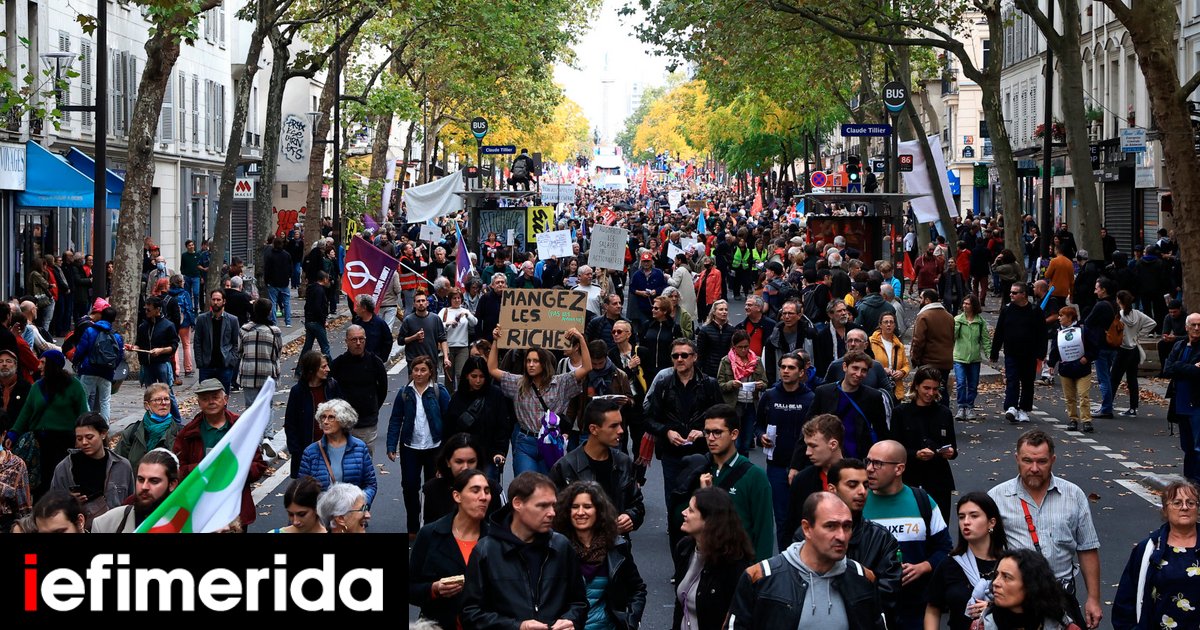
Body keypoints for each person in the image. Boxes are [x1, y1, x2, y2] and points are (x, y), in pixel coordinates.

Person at [987, 430, 1102, 628]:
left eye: (1042, 461)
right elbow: (982, 551)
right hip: (1015, 604)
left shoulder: (1074, 495)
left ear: (1053, 460)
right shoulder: (996, 497)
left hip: (1061, 599)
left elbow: (1087, 548)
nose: (1034, 468)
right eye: (1027, 461)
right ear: (1016, 459)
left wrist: (1093, 598)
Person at [729, 492, 889, 629]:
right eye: (830, 526)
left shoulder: (863, 579)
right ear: (806, 528)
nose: (841, 536)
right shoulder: (761, 578)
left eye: (847, 526)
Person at [461, 472, 588, 629]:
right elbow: (470, 614)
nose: (552, 513)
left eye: (553, 505)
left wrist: (571, 620)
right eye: (542, 506)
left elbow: (579, 603)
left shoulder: (561, 546)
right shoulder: (486, 550)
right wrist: (517, 627)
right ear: (518, 503)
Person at [862, 439, 953, 630]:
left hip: (915, 609)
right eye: (868, 461)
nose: (869, 469)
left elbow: (945, 549)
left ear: (899, 469)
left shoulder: (923, 501)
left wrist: (924, 567)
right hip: (869, 607)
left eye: (878, 463)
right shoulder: (857, 503)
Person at [644, 338, 723, 548]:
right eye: (675, 356)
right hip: (672, 453)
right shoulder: (663, 385)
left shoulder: (709, 384)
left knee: (702, 502)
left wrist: (705, 432)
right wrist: (667, 431)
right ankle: (679, 556)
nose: (679, 359)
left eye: (684, 355)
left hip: (701, 454)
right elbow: (650, 419)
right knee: (675, 503)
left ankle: (703, 552)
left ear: (694, 357)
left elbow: (722, 415)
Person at [675, 404, 776, 561]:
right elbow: (681, 518)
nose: (711, 438)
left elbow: (764, 531)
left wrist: (759, 573)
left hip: (739, 565)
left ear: (734, 434)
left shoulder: (755, 476)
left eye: (717, 432)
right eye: (707, 432)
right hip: (703, 561)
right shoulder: (698, 469)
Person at [488, 327, 590, 475]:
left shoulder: (561, 383)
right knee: (526, 486)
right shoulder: (517, 383)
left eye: (535, 361)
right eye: (528, 361)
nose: (531, 364)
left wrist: (580, 339)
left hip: (551, 442)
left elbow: (587, 367)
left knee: (548, 486)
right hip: (525, 441)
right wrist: (496, 341)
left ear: (544, 363)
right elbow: (492, 369)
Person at [174, 378, 267, 531]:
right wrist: (202, 470)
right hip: (201, 508)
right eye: (205, 398)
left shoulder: (241, 427)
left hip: (235, 508)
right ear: (199, 403)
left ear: (225, 399)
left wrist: (235, 471)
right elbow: (177, 470)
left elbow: (258, 465)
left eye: (215, 397)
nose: (210, 402)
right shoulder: (187, 433)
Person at [553, 481, 648, 630]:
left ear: (599, 511)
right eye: (575, 507)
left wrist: (631, 621)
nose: (580, 512)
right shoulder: (556, 549)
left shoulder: (617, 547)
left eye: (588, 507)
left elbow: (637, 590)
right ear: (566, 511)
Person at [410, 468, 494, 630]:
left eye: (487, 491)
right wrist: (433, 589)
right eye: (475, 491)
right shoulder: (430, 534)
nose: (483, 497)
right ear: (457, 496)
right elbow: (411, 588)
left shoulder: (497, 540)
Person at [551, 398, 646, 537]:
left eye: (621, 424)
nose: (621, 430)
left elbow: (637, 504)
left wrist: (630, 516)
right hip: (578, 550)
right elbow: (554, 516)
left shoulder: (624, 462)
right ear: (594, 429)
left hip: (618, 549)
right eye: (614, 426)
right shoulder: (565, 467)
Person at [1112, 480, 1200, 630]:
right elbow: (1125, 601)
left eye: (1191, 503)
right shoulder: (1147, 549)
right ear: (1165, 510)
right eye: (1177, 503)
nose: (1184, 507)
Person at [11, 349, 90, 500]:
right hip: (40, 443)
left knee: (60, 477)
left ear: (53, 365)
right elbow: (26, 413)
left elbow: (83, 414)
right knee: (41, 482)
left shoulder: (74, 386)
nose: (39, 366)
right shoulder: (36, 387)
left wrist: (82, 437)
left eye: (43, 363)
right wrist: (13, 433)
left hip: (64, 442)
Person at [924, 492, 1010, 630]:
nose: (966, 522)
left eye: (974, 516)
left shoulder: (1009, 564)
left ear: (991, 522)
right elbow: (933, 608)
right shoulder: (950, 564)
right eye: (961, 517)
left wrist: (992, 608)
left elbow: (1024, 606)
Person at [673, 486, 755, 630]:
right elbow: (680, 606)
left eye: (691, 510)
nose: (684, 512)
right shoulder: (684, 549)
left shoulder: (734, 565)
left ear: (709, 521)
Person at [384, 354, 449, 531]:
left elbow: (449, 420)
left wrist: (449, 450)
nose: (419, 374)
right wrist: (391, 445)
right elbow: (396, 419)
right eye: (415, 370)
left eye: (423, 370)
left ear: (430, 372)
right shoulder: (404, 393)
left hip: (434, 448)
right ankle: (413, 525)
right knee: (409, 486)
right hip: (410, 448)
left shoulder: (439, 392)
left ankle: (430, 525)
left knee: (433, 488)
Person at [890, 366, 958, 524]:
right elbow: (894, 449)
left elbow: (953, 448)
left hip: (938, 479)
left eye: (935, 389)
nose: (930, 393)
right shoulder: (900, 413)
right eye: (926, 388)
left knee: (939, 525)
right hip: (910, 479)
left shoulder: (944, 413)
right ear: (916, 386)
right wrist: (915, 454)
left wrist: (950, 452)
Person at [47, 412, 132, 527]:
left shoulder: (122, 466)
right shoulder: (65, 468)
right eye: (79, 438)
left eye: (89, 437)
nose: (84, 443)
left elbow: (132, 503)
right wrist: (68, 502)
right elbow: (51, 506)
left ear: (103, 434)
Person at [806, 350, 890, 459]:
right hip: (828, 456)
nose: (859, 374)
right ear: (845, 367)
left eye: (864, 370)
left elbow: (882, 431)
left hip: (859, 457)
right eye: (855, 368)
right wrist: (796, 465)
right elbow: (808, 427)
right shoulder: (823, 392)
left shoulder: (873, 397)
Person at [297, 397, 378, 510]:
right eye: (323, 417)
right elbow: (301, 490)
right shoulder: (310, 452)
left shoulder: (359, 448)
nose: (325, 421)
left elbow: (370, 484)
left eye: (331, 417)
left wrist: (361, 505)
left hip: (351, 514)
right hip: (321, 518)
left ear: (343, 420)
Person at [990, 283, 1046, 423]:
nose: (1011, 295)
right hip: (1011, 352)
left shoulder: (1035, 311)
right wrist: (994, 351)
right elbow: (999, 331)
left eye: (1014, 293)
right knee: (1012, 379)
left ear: (1023, 294)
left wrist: (1041, 354)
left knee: (1027, 382)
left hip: (1029, 353)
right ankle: (1011, 406)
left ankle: (1024, 409)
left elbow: (1041, 333)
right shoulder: (1007, 310)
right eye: (1011, 292)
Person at [979, 549, 1076, 630]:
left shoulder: (1063, 626)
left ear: (1030, 584)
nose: (995, 582)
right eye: (996, 575)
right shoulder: (982, 627)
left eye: (1006, 577)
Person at [330, 325, 389, 452]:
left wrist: (372, 408)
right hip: (343, 422)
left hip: (367, 422)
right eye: (354, 339)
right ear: (346, 341)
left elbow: (382, 389)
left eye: (361, 339)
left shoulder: (375, 363)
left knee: (365, 462)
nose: (358, 343)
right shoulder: (338, 364)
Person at [91, 448, 179, 533]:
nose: (144, 487)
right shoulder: (105, 524)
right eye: (141, 479)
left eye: (154, 481)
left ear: (172, 484)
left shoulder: (187, 524)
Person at [421, 433, 504, 523]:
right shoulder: (431, 490)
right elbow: (424, 531)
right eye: (459, 462)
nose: (465, 467)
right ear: (448, 462)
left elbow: (506, 530)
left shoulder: (494, 490)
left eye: (471, 461)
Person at [284, 350, 341, 478]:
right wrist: (296, 450)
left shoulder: (332, 386)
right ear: (312, 369)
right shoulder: (298, 392)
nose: (328, 369)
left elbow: (343, 415)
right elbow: (290, 423)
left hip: (332, 449)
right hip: (307, 452)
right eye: (323, 366)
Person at [1047, 306, 1098, 433]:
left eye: (1061, 315)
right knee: (1069, 397)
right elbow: (1055, 349)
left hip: (1082, 369)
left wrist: (1087, 358)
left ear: (1070, 317)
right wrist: (1051, 364)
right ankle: (1073, 419)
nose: (1059, 318)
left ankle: (1086, 420)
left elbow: (1094, 347)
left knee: (1083, 395)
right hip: (1066, 369)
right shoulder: (1058, 332)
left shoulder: (1083, 330)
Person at [717, 330, 767, 455]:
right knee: (736, 441)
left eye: (746, 347)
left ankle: (744, 469)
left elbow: (765, 382)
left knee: (746, 441)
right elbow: (720, 384)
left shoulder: (757, 360)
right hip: (734, 404)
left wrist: (761, 385)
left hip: (751, 404)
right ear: (734, 347)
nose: (743, 350)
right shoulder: (726, 361)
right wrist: (731, 384)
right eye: (740, 347)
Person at [70, 305, 123, 421]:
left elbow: (81, 349)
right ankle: (104, 426)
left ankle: (87, 423)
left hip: (89, 368)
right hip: (107, 372)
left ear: (101, 316)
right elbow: (119, 356)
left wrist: (76, 361)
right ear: (113, 320)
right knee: (105, 400)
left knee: (84, 398)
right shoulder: (117, 336)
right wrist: (113, 368)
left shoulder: (90, 331)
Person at [114, 383, 181, 471]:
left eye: (166, 399)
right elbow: (118, 465)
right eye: (157, 400)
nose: (163, 403)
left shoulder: (181, 433)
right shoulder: (132, 432)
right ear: (147, 405)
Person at [133, 296, 181, 417]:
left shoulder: (168, 325)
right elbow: (139, 344)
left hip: (162, 364)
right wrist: (134, 348)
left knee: (168, 393)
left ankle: (176, 420)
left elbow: (174, 345)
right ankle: (153, 418)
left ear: (157, 310)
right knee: (150, 395)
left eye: (149, 310)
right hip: (147, 365)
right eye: (146, 309)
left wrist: (161, 350)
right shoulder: (143, 326)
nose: (146, 312)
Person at [1112, 290, 1157, 417]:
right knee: (1132, 379)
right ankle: (1133, 408)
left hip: (1122, 349)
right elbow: (1152, 323)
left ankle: (1108, 404)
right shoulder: (1137, 314)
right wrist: (1139, 335)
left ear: (1119, 301)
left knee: (1114, 378)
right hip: (1134, 349)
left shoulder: (1119, 315)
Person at [910, 289, 955, 406]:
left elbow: (918, 341)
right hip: (945, 361)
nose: (920, 301)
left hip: (928, 361)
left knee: (925, 391)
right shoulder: (949, 317)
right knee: (941, 389)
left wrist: (915, 358)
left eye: (921, 298)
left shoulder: (924, 316)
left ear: (927, 300)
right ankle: (944, 417)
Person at [237, 298, 283, 408]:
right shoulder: (274, 331)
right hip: (268, 374)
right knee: (266, 408)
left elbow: (239, 351)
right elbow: (278, 353)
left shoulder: (245, 329)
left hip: (249, 374)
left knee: (250, 409)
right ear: (269, 312)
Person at [1086, 277, 1121, 419]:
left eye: (1097, 288)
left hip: (1101, 344)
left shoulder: (1100, 305)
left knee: (1103, 377)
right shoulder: (1115, 304)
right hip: (1113, 343)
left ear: (1104, 290)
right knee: (1108, 376)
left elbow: (1089, 321)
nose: (1095, 291)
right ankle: (1107, 405)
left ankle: (1106, 407)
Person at [193, 289, 240, 394]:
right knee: (206, 397)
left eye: (218, 300)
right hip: (206, 366)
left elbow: (236, 343)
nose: (215, 302)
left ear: (224, 301)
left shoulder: (232, 320)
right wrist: (200, 362)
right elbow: (197, 342)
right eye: (213, 299)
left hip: (225, 365)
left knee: (223, 398)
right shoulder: (202, 319)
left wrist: (231, 361)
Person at [953, 294, 990, 420]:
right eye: (964, 303)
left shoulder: (980, 322)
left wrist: (989, 354)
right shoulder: (958, 319)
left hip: (974, 358)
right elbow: (952, 337)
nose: (965, 305)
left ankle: (970, 407)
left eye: (967, 303)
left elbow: (985, 339)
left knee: (973, 385)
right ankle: (961, 406)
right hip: (959, 357)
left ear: (974, 306)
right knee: (961, 383)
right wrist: (956, 326)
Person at [763, 298, 815, 384]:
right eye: (784, 313)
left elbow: (819, 360)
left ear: (799, 315)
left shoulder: (810, 334)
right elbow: (769, 368)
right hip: (781, 384)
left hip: (807, 383)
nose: (787, 317)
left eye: (790, 313)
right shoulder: (773, 340)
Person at [400, 292, 451, 379]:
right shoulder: (408, 320)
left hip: (431, 361)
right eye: (418, 301)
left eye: (423, 300)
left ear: (427, 303)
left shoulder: (435, 319)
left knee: (431, 389)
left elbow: (442, 339)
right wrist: (414, 337)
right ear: (414, 304)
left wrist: (446, 357)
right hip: (414, 362)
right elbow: (400, 341)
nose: (421, 303)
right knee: (414, 389)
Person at [440, 289, 477, 394]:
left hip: (463, 346)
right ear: (450, 300)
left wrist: (467, 315)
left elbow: (474, 322)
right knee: (449, 377)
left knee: (461, 373)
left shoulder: (465, 311)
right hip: (448, 346)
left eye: (459, 298)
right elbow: (438, 325)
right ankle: (449, 397)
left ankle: (462, 395)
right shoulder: (444, 311)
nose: (457, 300)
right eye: (454, 298)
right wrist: (448, 323)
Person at [639, 296, 683, 381]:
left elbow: (678, 348)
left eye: (656, 308)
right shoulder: (647, 325)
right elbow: (641, 345)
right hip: (647, 370)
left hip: (667, 370)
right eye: (653, 308)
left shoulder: (674, 327)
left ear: (665, 311)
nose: (653, 310)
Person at [870, 312, 910, 402]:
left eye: (891, 322)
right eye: (886, 322)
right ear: (880, 325)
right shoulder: (871, 342)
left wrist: (902, 372)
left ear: (894, 325)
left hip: (895, 390)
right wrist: (881, 369)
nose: (889, 324)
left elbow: (906, 365)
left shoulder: (899, 345)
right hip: (876, 388)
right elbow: (866, 363)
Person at [167, 274, 196, 379]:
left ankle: (176, 370)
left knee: (174, 346)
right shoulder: (185, 294)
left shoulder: (168, 294)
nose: (184, 282)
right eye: (182, 281)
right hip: (184, 323)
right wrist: (192, 322)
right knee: (186, 345)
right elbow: (189, 309)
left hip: (172, 324)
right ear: (180, 282)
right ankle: (188, 369)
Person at [352, 295, 395, 364]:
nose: (355, 309)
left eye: (357, 306)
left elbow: (388, 341)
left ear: (364, 308)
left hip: (374, 363)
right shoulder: (357, 322)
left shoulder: (380, 324)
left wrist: (381, 359)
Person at [630, 252, 668, 325]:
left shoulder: (658, 273)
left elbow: (664, 286)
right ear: (641, 262)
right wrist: (640, 292)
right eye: (644, 261)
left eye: (648, 261)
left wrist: (656, 291)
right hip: (641, 307)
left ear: (651, 262)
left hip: (656, 306)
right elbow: (632, 288)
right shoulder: (637, 274)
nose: (646, 263)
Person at [301, 271, 332, 358]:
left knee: (307, 347)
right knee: (325, 347)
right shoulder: (320, 290)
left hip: (309, 320)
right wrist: (323, 320)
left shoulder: (311, 288)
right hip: (317, 322)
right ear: (325, 279)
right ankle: (331, 368)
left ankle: (300, 370)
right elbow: (317, 307)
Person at [695, 255, 723, 324]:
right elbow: (698, 283)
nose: (705, 263)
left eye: (707, 261)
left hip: (710, 297)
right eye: (705, 261)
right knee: (700, 312)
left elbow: (718, 286)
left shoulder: (717, 272)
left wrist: (715, 298)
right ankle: (700, 326)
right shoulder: (703, 272)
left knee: (708, 313)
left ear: (712, 263)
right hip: (701, 295)